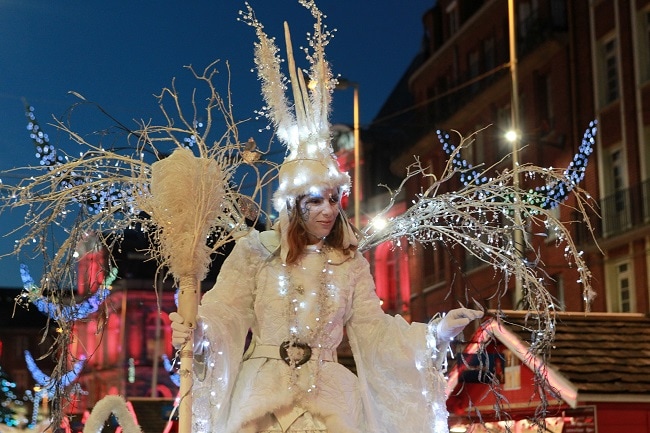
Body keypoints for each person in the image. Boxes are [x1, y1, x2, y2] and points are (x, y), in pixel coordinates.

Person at [170, 4, 483, 431]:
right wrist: (200, 332)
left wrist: (434, 335)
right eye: (316, 201)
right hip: (261, 400)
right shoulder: (255, 253)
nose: (328, 210)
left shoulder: (349, 263)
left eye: (334, 200)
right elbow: (226, 313)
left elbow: (373, 332)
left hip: (329, 397)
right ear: (294, 204)